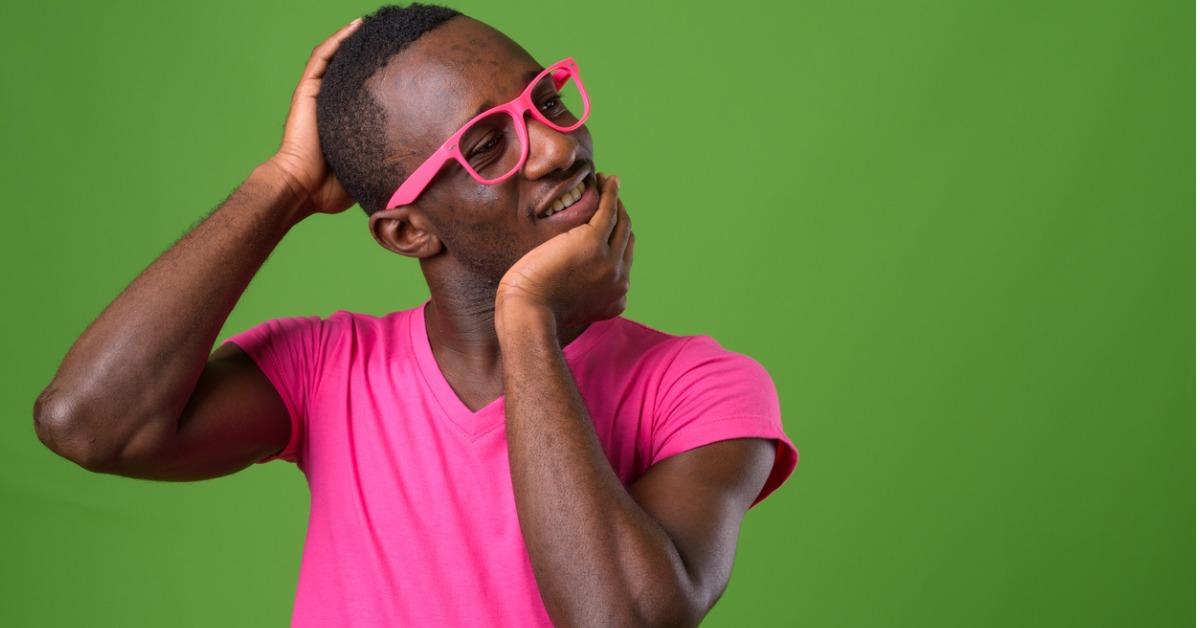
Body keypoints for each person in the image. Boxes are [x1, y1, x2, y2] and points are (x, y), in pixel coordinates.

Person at [33, 3, 799, 626]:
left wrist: (526, 320)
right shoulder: (330, 372)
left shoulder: (701, 389)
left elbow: (619, 620)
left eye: (548, 99)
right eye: (487, 144)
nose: (557, 147)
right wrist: (288, 182)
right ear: (409, 232)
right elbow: (88, 423)